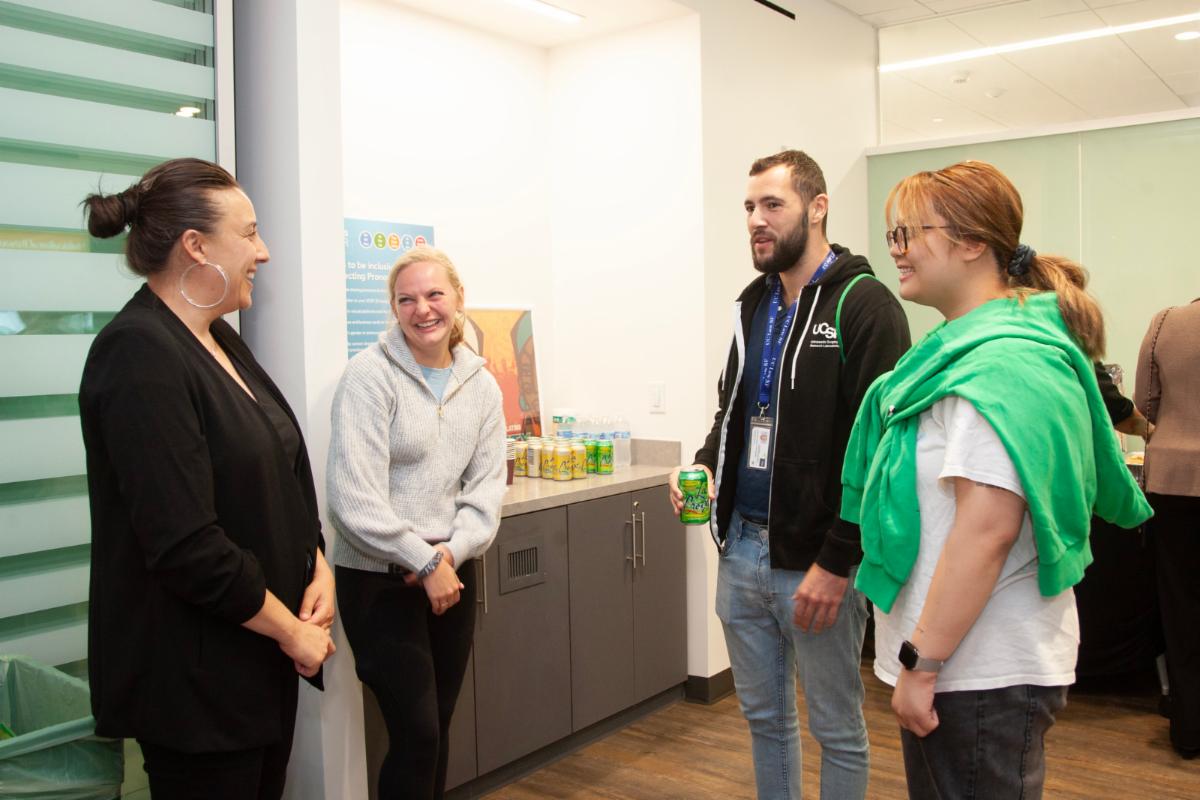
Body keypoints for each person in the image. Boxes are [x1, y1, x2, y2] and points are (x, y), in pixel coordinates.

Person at [840, 160, 1153, 799]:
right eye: (891, 235)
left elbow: (986, 533)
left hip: (976, 671)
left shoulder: (1002, 367)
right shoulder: (957, 354)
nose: (894, 251)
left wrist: (920, 666)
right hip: (955, 663)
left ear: (974, 242)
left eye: (908, 234)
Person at [78, 158, 336, 800]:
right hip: (195, 684)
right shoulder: (139, 354)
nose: (264, 252)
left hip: (258, 660)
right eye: (248, 234)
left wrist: (318, 562)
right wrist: (293, 630)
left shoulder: (217, 337)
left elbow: (282, 469)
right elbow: (185, 545)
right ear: (196, 245)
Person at [669, 150, 911, 799]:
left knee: (836, 727)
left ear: (817, 207)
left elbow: (882, 450)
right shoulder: (752, 305)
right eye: (749, 207)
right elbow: (737, 410)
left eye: (772, 205)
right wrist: (702, 464)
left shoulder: (866, 306)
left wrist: (838, 562)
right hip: (742, 546)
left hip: (818, 560)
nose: (757, 219)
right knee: (766, 722)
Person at [328, 245, 507, 799]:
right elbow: (352, 498)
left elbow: (484, 491)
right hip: (380, 578)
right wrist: (423, 559)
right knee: (417, 732)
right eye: (406, 299)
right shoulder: (368, 376)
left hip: (450, 572)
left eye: (434, 295)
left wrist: (451, 554)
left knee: (438, 725)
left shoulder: (481, 384)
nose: (422, 309)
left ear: (458, 299)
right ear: (393, 307)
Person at [1135, 297, 1200, 759]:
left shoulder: (1167, 323)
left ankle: (1190, 728)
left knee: (1182, 607)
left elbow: (1144, 404)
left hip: (1175, 479)